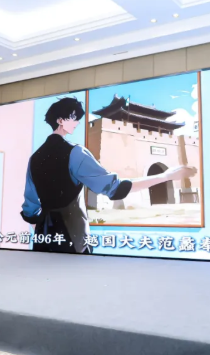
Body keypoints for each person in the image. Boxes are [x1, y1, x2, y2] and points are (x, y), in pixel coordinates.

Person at [21, 97, 197, 254]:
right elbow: (115, 189)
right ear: (60, 120)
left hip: (42, 237)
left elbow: (30, 207)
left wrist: (42, 227)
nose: (77, 123)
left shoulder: (34, 158)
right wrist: (165, 176)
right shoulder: (75, 153)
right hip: (73, 235)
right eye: (74, 118)